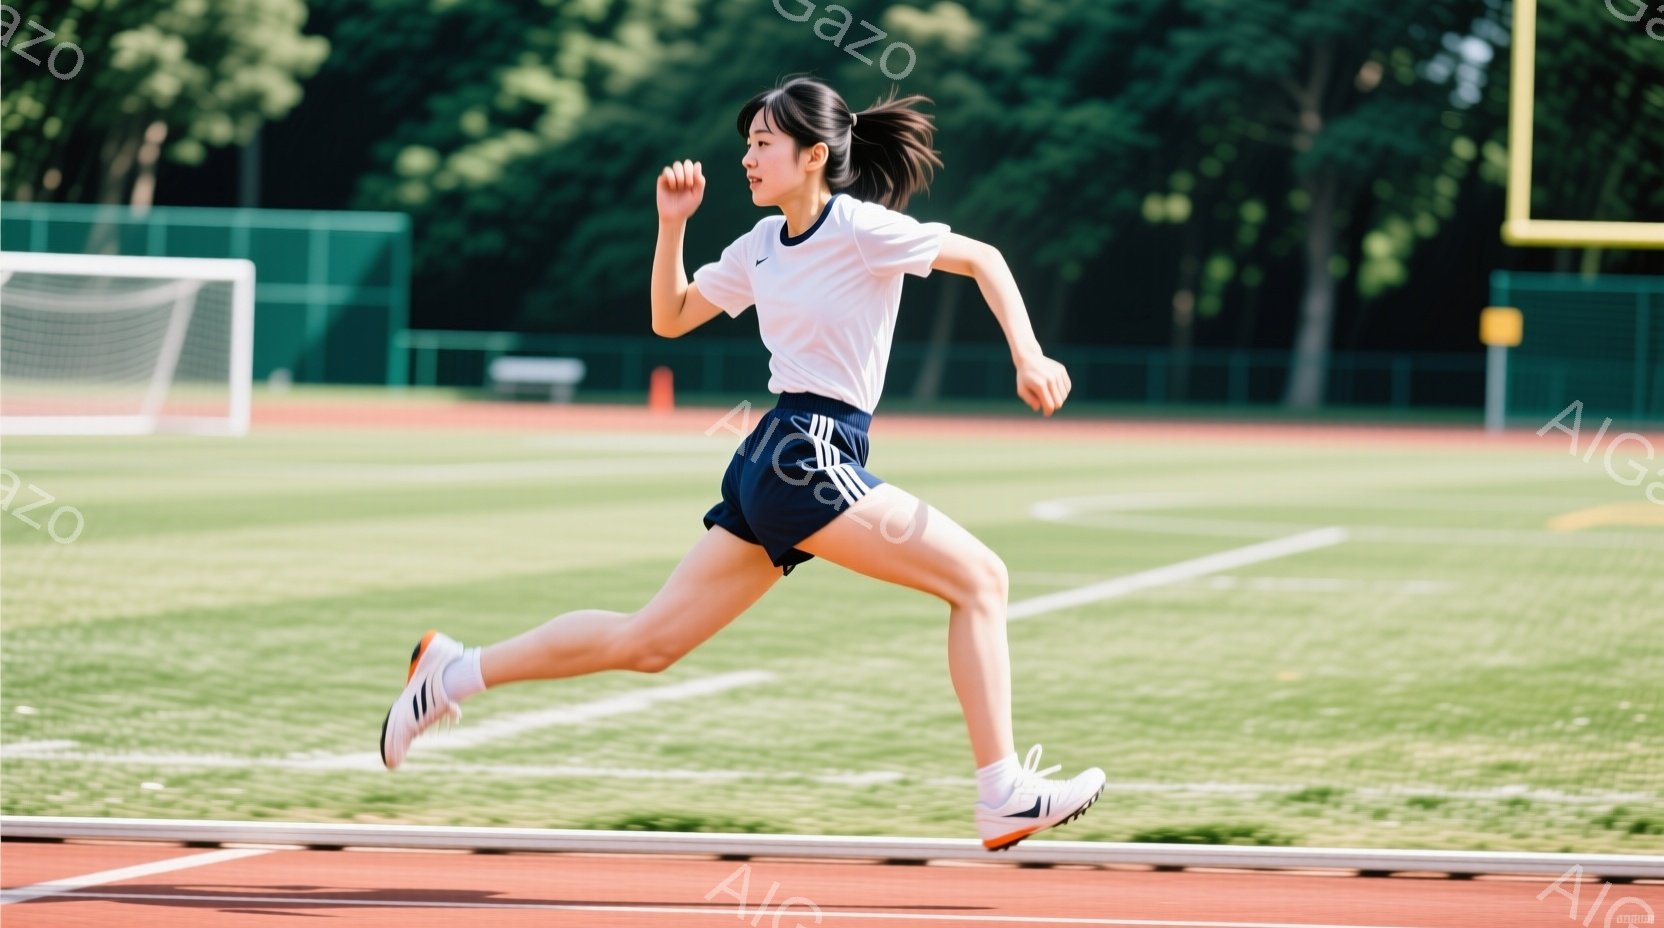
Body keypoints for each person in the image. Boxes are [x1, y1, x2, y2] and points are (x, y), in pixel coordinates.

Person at [379, 76, 1104, 852]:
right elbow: (671, 317)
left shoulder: (860, 227)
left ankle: (453, 673)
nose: (748, 158)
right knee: (982, 580)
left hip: (783, 457)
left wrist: (1029, 353)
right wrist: (671, 227)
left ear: (814, 155)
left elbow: (984, 259)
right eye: (748, 144)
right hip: (801, 452)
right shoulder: (758, 245)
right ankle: (1002, 794)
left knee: (647, 644)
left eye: (763, 143)